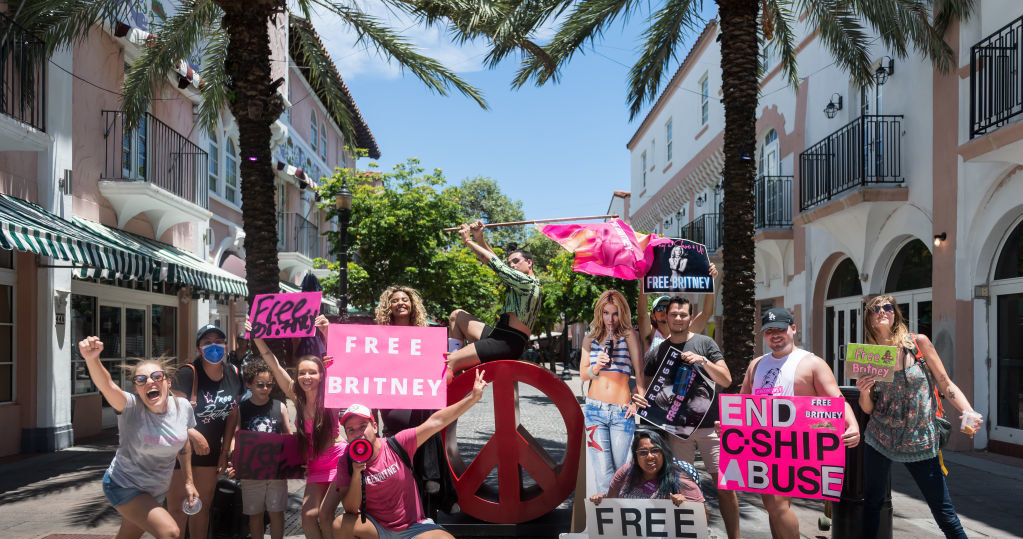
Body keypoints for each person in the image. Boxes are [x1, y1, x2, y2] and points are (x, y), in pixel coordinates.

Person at [857, 296, 979, 539]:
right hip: (880, 436)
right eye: (875, 308)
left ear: (895, 313)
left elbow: (945, 383)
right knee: (872, 502)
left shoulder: (918, 343)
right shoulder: (868, 354)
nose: (882, 311)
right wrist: (863, 391)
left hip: (920, 438)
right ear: (869, 317)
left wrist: (967, 410)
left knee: (943, 511)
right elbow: (868, 408)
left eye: (888, 307)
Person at [321, 370, 491, 538]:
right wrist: (357, 474)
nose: (358, 432)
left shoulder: (397, 444)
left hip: (413, 528)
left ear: (374, 426)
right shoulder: (346, 460)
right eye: (351, 429)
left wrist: (472, 398)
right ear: (346, 434)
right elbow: (350, 509)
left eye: (362, 426)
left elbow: (435, 422)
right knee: (340, 524)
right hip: (376, 529)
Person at [738, 307, 860, 539]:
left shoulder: (811, 363)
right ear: (763, 335)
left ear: (793, 329)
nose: (775, 335)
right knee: (772, 508)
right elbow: (743, 403)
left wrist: (852, 424)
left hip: (795, 446)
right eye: (768, 331)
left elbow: (836, 399)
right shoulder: (756, 365)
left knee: (777, 506)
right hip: (762, 445)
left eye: (780, 329)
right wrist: (727, 423)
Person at [634, 296, 738, 539]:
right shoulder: (659, 350)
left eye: (683, 314)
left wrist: (703, 361)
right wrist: (639, 398)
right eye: (674, 314)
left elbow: (726, 379)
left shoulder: (705, 343)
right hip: (677, 433)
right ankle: (697, 533)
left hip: (711, 429)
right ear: (665, 317)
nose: (678, 318)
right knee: (685, 491)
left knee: (725, 488)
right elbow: (648, 388)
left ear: (691, 317)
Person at [78, 336, 199, 539]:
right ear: (136, 388)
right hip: (124, 485)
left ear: (168, 382)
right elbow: (107, 385)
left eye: (156, 376)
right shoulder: (131, 407)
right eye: (141, 380)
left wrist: (189, 482)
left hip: (156, 490)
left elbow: (184, 444)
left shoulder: (183, 407)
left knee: (128, 536)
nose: (149, 382)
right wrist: (92, 359)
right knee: (170, 532)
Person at [254, 315, 345, 539]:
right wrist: (256, 336)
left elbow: (343, 363)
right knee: (307, 516)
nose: (306, 376)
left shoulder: (331, 395)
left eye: (312, 372)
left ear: (322, 375)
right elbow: (272, 363)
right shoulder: (296, 395)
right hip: (315, 466)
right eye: (302, 372)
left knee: (324, 514)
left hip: (338, 462)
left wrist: (327, 333)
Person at [374, 284, 456, 517]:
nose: (401, 303)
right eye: (395, 300)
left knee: (426, 423)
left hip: (420, 400)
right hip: (393, 400)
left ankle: (428, 506)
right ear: (388, 306)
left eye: (405, 300)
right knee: (406, 445)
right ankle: (439, 491)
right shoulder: (377, 337)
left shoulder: (427, 335)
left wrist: (446, 363)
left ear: (412, 306)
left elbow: (441, 374)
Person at [168, 324, 244, 539]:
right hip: (180, 453)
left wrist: (224, 450)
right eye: (207, 342)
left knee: (201, 506)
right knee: (177, 509)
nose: (214, 346)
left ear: (226, 345)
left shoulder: (233, 372)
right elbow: (171, 414)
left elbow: (232, 413)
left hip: (211, 453)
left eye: (218, 341)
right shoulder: (187, 373)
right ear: (198, 348)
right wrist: (192, 432)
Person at [447, 220, 541, 374]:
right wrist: (479, 237)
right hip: (498, 335)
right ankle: (456, 369)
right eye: (510, 263)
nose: (512, 265)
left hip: (506, 343)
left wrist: (468, 240)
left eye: (516, 261)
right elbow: (498, 263)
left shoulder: (528, 282)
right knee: (457, 316)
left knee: (450, 362)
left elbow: (495, 264)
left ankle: (453, 369)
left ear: (529, 263)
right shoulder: (520, 282)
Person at [580, 289, 645, 495]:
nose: (610, 318)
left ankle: (623, 521)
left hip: (621, 411)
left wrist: (637, 401)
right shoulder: (590, 338)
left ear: (622, 313)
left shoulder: (629, 335)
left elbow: (639, 374)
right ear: (600, 313)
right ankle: (607, 524)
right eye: (606, 313)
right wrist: (595, 368)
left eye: (615, 313)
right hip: (594, 412)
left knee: (623, 473)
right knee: (603, 475)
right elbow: (583, 374)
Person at [224, 359, 294, 539]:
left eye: (269, 384)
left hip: (276, 471)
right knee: (255, 514)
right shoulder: (242, 408)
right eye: (260, 384)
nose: (265, 388)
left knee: (276, 512)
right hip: (251, 472)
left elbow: (288, 436)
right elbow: (236, 436)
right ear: (249, 384)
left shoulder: (280, 406)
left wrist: (293, 459)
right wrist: (233, 459)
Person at [589, 428, 705, 511]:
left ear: (664, 453)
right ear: (636, 456)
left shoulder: (680, 479)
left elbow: (704, 520)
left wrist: (687, 507)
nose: (650, 456)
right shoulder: (626, 471)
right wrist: (601, 502)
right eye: (643, 452)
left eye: (655, 450)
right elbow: (611, 505)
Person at [637, 264, 718, 369]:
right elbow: (642, 314)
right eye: (659, 308)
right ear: (653, 315)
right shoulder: (650, 335)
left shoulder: (685, 333)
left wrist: (711, 282)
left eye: (667, 307)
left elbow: (706, 314)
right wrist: (644, 283)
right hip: (653, 384)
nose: (664, 310)